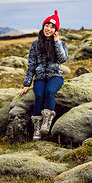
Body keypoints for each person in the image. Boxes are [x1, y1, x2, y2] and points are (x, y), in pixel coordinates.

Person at [19, 10, 68, 141]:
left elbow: (63, 59)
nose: (49, 29)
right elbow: (31, 65)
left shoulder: (61, 43)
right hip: (40, 76)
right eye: (47, 25)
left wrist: (56, 42)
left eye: (52, 27)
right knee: (39, 95)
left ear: (56, 30)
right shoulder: (35, 44)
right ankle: (37, 127)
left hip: (55, 75)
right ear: (43, 26)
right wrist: (26, 84)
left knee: (49, 91)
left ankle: (46, 122)